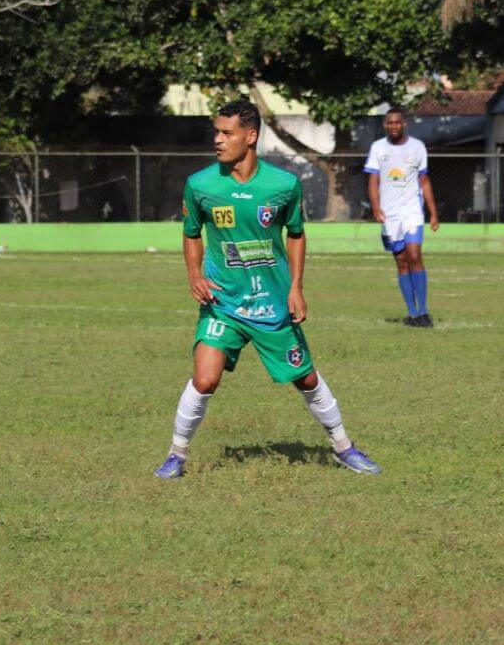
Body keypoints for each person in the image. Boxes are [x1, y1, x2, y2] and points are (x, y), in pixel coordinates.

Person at [154, 100, 381, 478]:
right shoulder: (201, 185)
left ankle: (344, 447)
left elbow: (296, 234)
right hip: (222, 301)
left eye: (227, 133)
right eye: (217, 132)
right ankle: (176, 455)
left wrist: (296, 287)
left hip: (271, 304)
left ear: (251, 136)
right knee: (205, 378)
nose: (218, 139)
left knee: (305, 378)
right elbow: (191, 233)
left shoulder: (283, 185)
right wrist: (194, 274)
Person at [366, 107, 439, 327]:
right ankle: (412, 313)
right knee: (401, 261)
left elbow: (424, 181)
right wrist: (376, 208)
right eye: (389, 123)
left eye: (397, 122)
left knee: (415, 255)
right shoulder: (377, 148)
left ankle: (424, 312)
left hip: (412, 211)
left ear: (404, 123)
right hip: (390, 214)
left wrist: (433, 212)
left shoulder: (417, 147)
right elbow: (372, 181)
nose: (394, 126)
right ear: (384, 125)